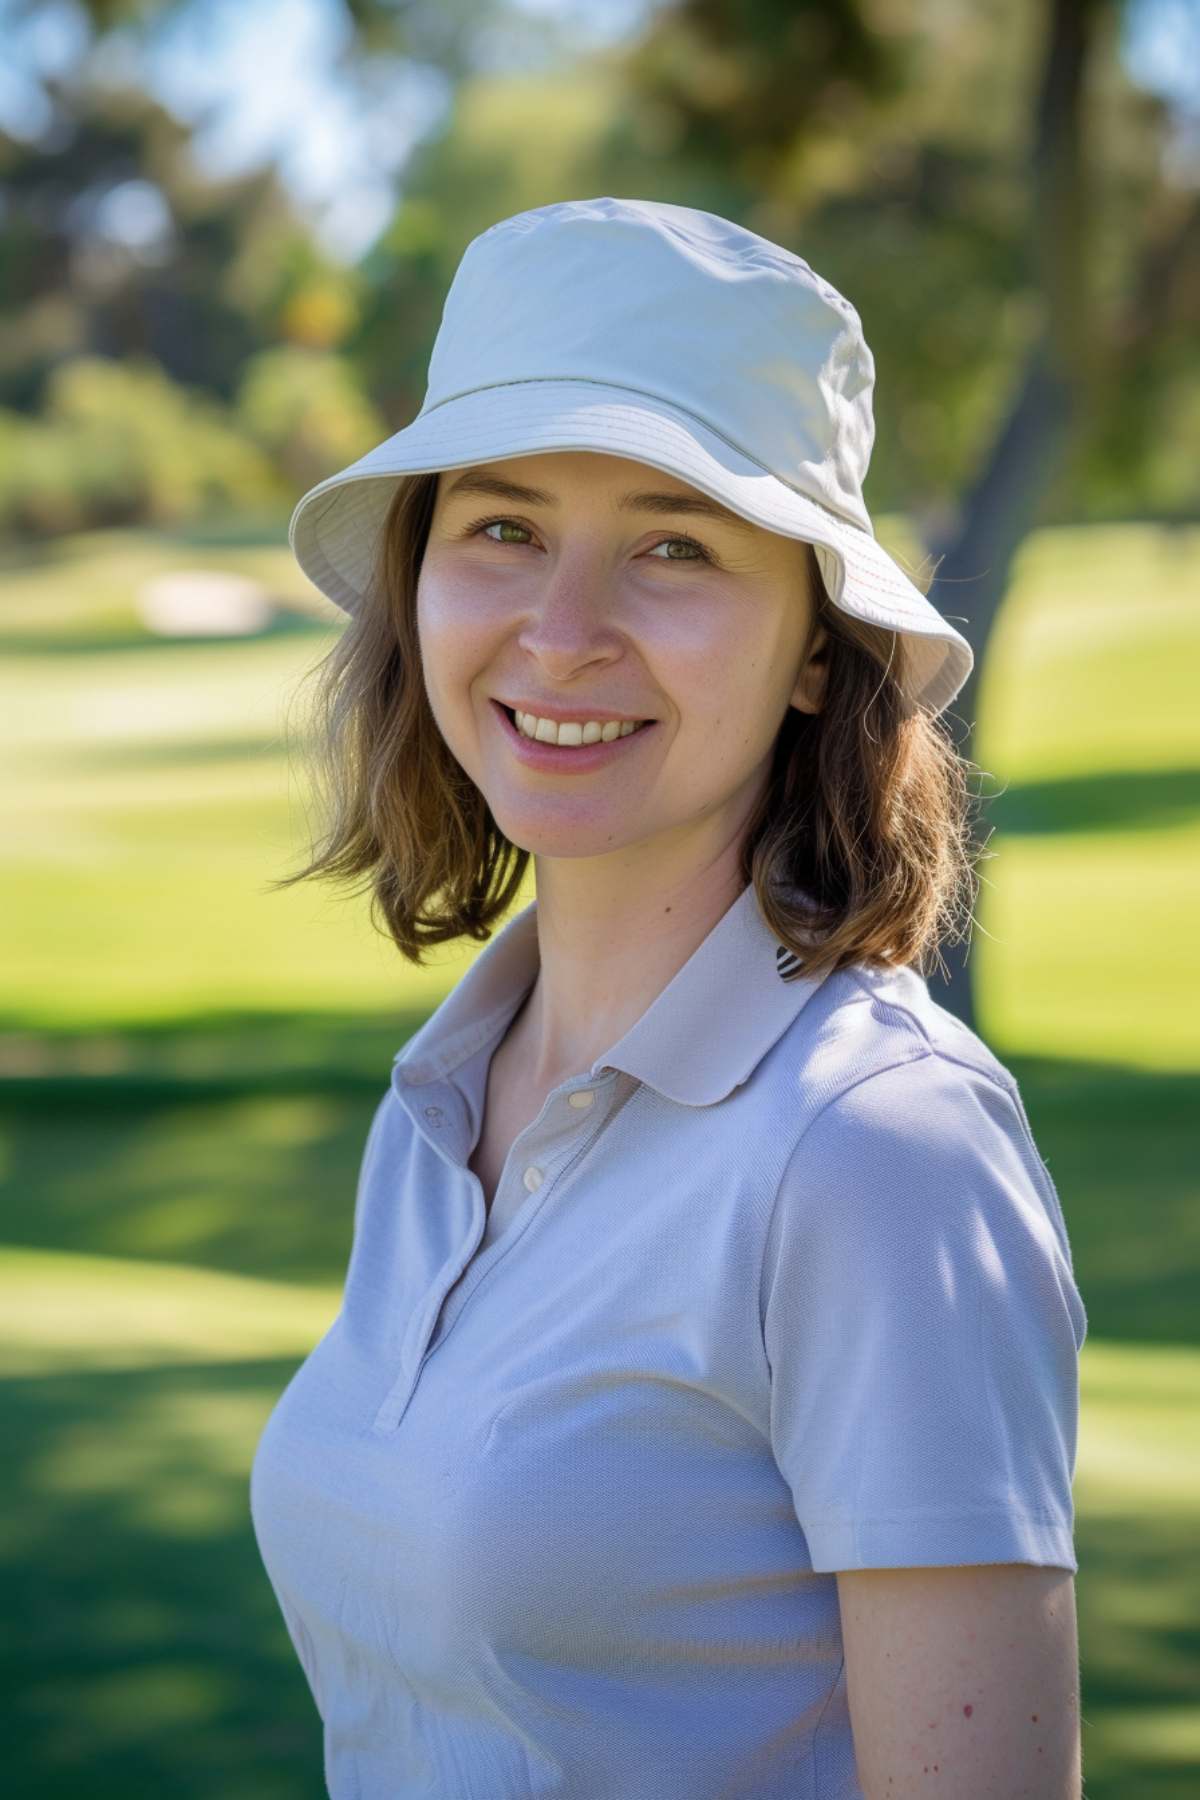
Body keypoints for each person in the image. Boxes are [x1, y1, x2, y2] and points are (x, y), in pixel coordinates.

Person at [250, 197, 1087, 1799]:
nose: (560, 636)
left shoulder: (874, 1149)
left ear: (818, 657)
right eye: (501, 529)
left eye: (674, 548)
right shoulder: (441, 1105)